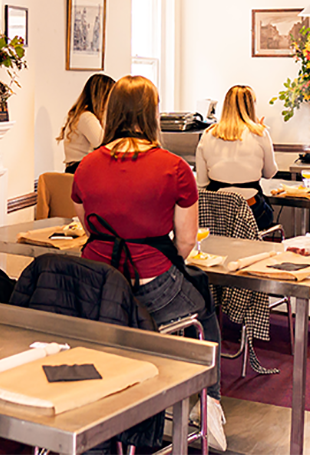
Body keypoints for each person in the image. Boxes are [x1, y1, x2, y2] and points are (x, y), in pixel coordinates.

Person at [71, 76, 227, 451]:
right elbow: (186, 242)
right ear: (153, 113)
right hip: (151, 281)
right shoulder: (174, 167)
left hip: (94, 285)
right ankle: (210, 403)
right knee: (203, 306)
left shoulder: (86, 166)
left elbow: (83, 223)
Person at [195, 85, 278, 231]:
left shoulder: (208, 134)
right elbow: (270, 173)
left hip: (217, 216)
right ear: (252, 106)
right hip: (253, 211)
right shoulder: (260, 134)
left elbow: (201, 183)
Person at [57, 74, 115, 174]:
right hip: (81, 170)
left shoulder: (80, 114)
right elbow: (103, 143)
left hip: (74, 169)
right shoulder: (86, 117)